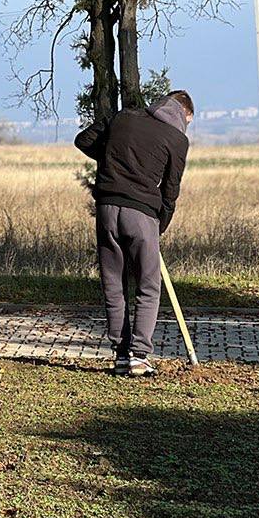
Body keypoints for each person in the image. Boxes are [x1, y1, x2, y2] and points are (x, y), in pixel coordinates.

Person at [74, 91, 194, 377]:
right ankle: (139, 356)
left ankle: (120, 354)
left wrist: (115, 157)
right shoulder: (177, 139)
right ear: (184, 113)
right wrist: (160, 225)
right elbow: (170, 191)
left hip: (106, 209)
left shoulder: (123, 117)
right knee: (148, 285)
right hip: (142, 215)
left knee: (113, 284)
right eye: (188, 122)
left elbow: (84, 140)